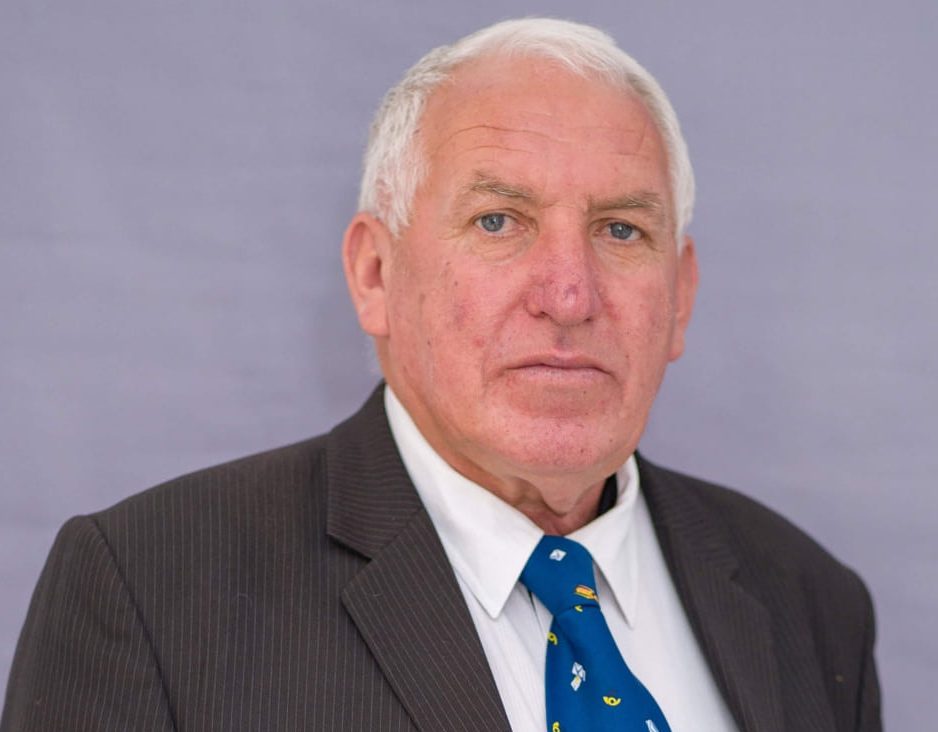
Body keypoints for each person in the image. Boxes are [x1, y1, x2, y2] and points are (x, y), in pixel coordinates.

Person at [1, 18, 880, 732]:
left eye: (621, 230)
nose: (569, 296)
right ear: (375, 275)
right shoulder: (154, 596)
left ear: (680, 297)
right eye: (499, 221)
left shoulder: (808, 603)